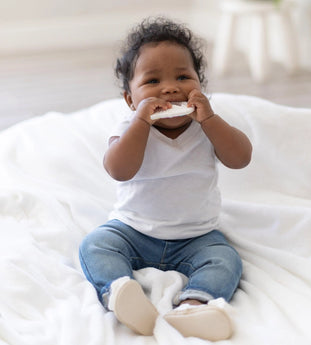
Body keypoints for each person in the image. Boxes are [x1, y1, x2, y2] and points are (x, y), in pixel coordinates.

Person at [79, 17, 252, 341]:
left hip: (197, 236)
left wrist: (211, 119)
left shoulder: (207, 126)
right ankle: (120, 292)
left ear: (200, 85)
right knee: (96, 245)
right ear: (130, 99)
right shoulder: (128, 127)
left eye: (183, 77)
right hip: (133, 229)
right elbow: (119, 169)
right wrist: (141, 123)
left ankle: (193, 305)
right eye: (153, 80)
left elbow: (240, 158)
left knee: (225, 260)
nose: (170, 87)